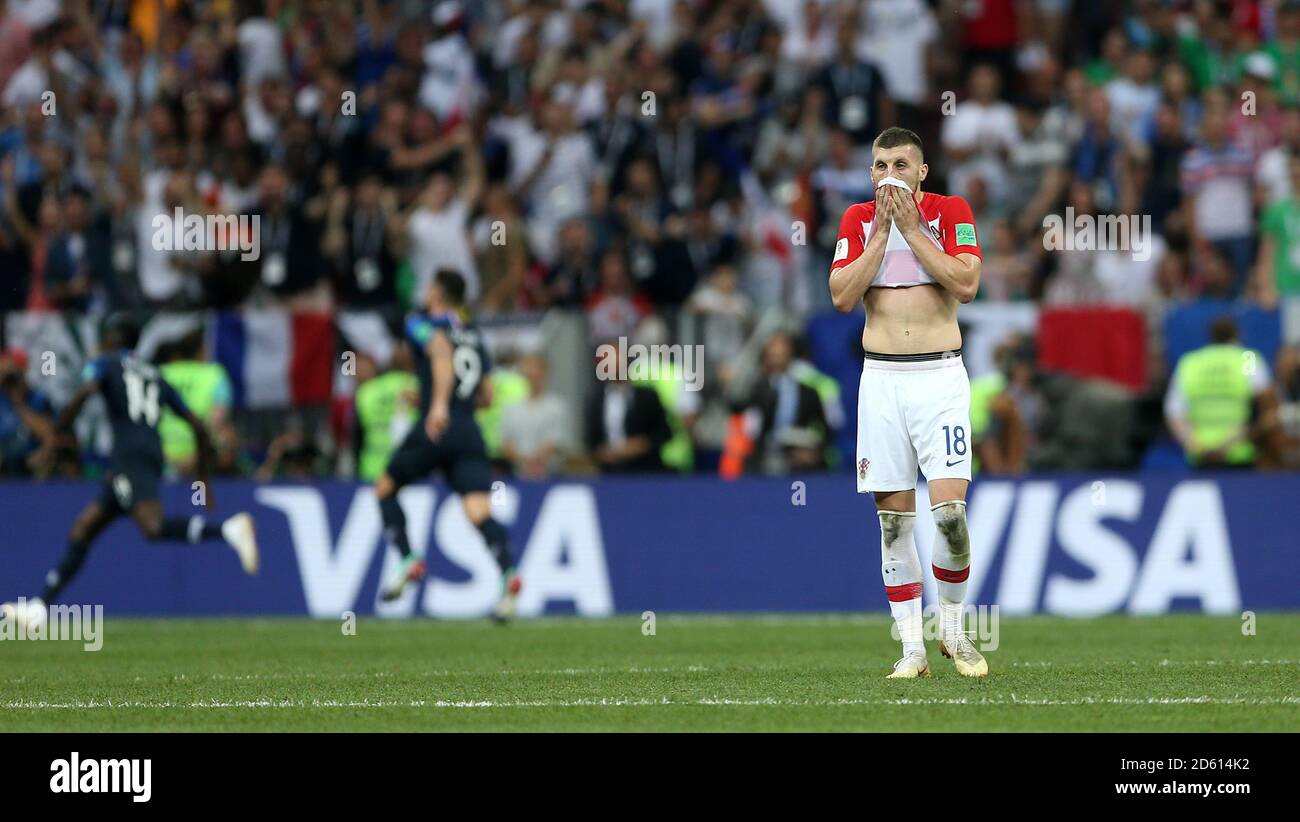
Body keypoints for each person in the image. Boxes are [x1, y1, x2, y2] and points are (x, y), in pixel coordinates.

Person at [828, 126, 986, 679]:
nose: (888, 174)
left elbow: (966, 284)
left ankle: (953, 628)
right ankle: (912, 649)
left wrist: (913, 230)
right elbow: (843, 297)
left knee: (950, 517)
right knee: (894, 525)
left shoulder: (950, 211)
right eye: (879, 165)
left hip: (940, 378)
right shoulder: (855, 220)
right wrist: (879, 235)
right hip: (882, 381)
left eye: (900, 164)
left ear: (922, 172)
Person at [2, 316, 258, 624]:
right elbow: (198, 428)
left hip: (129, 457)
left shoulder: (107, 363)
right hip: (148, 454)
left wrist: (56, 438)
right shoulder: (155, 374)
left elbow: (83, 394)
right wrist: (203, 481)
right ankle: (39, 607)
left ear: (111, 340)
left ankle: (228, 530)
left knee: (152, 527)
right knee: (84, 527)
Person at [373, 269, 521, 621]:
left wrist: (437, 404)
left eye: (429, 288)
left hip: (436, 428)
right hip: (469, 431)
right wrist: (433, 397)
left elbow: (440, 353)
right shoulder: (473, 335)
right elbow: (486, 396)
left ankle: (409, 558)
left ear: (437, 294)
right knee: (478, 512)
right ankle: (509, 575)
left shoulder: (421, 323)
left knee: (384, 488)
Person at [1164, 316, 1279, 469]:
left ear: (1209, 336)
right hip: (1240, 452)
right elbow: (1263, 406)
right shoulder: (1247, 358)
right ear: (1238, 334)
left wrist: (1194, 443)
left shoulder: (1190, 362)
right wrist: (1230, 443)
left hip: (1201, 454)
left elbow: (1174, 413)